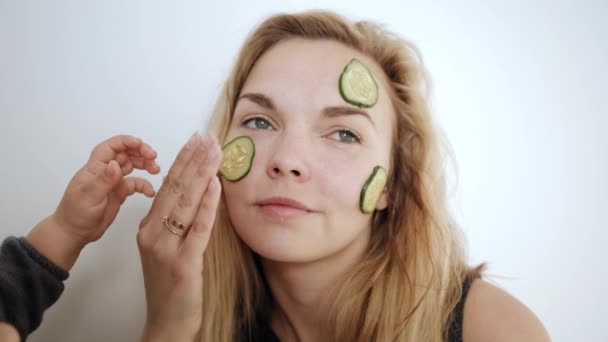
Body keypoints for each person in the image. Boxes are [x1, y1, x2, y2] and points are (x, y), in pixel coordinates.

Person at [0, 9, 551, 342]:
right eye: (260, 120)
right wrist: (168, 328)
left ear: (392, 187)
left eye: (343, 132)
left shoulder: (488, 330)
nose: (286, 158)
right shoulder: (206, 319)